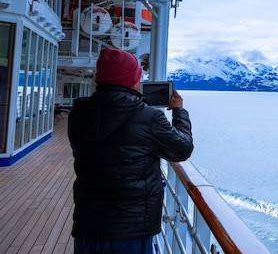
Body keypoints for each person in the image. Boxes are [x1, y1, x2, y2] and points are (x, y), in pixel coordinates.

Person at [68, 47, 193, 254]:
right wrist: (179, 112)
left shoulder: (78, 115)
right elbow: (183, 149)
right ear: (132, 81)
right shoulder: (149, 118)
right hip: (131, 229)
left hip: (88, 224)